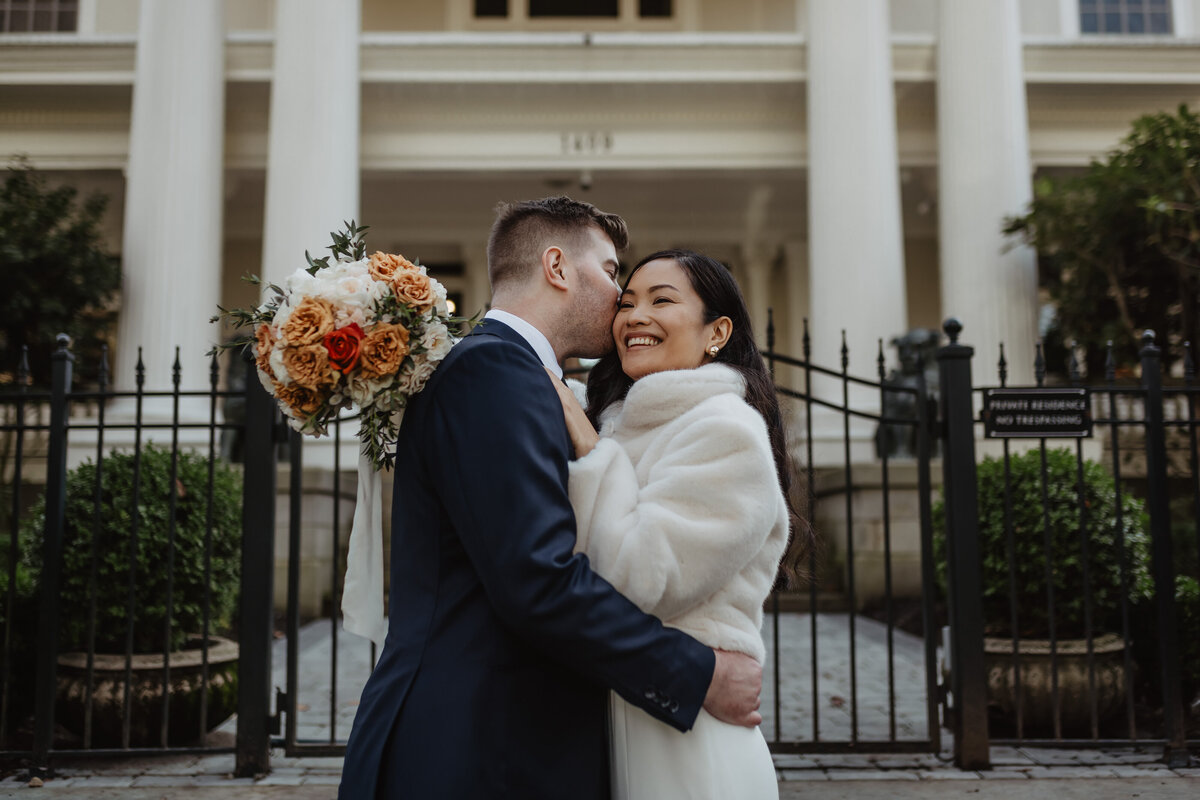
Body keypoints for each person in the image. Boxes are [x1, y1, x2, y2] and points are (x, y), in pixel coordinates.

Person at [337, 199, 764, 800]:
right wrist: (696, 675)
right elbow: (537, 580)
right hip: (475, 747)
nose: (622, 296)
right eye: (614, 272)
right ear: (558, 267)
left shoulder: (537, 383)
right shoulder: (495, 372)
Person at [547, 249, 810, 799]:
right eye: (627, 302)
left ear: (717, 330)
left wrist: (594, 454)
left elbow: (642, 580)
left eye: (661, 301)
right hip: (627, 711)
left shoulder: (725, 429)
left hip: (688, 736)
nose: (634, 316)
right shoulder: (621, 421)